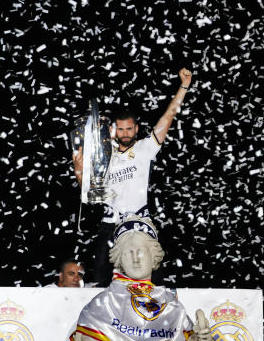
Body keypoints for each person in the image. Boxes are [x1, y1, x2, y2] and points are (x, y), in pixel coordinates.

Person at [73, 68, 193, 286]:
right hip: (110, 224)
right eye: (121, 129)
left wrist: (184, 85)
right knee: (100, 282)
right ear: (113, 130)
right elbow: (91, 195)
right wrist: (79, 171)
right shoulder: (104, 155)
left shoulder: (145, 148)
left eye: (129, 128)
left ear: (136, 128)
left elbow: (169, 115)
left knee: (154, 281)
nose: (125, 133)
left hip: (139, 222)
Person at [70, 217, 210, 341]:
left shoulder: (173, 307)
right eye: (128, 253)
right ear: (119, 260)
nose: (135, 259)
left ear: (154, 256)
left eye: (141, 252)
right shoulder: (101, 306)